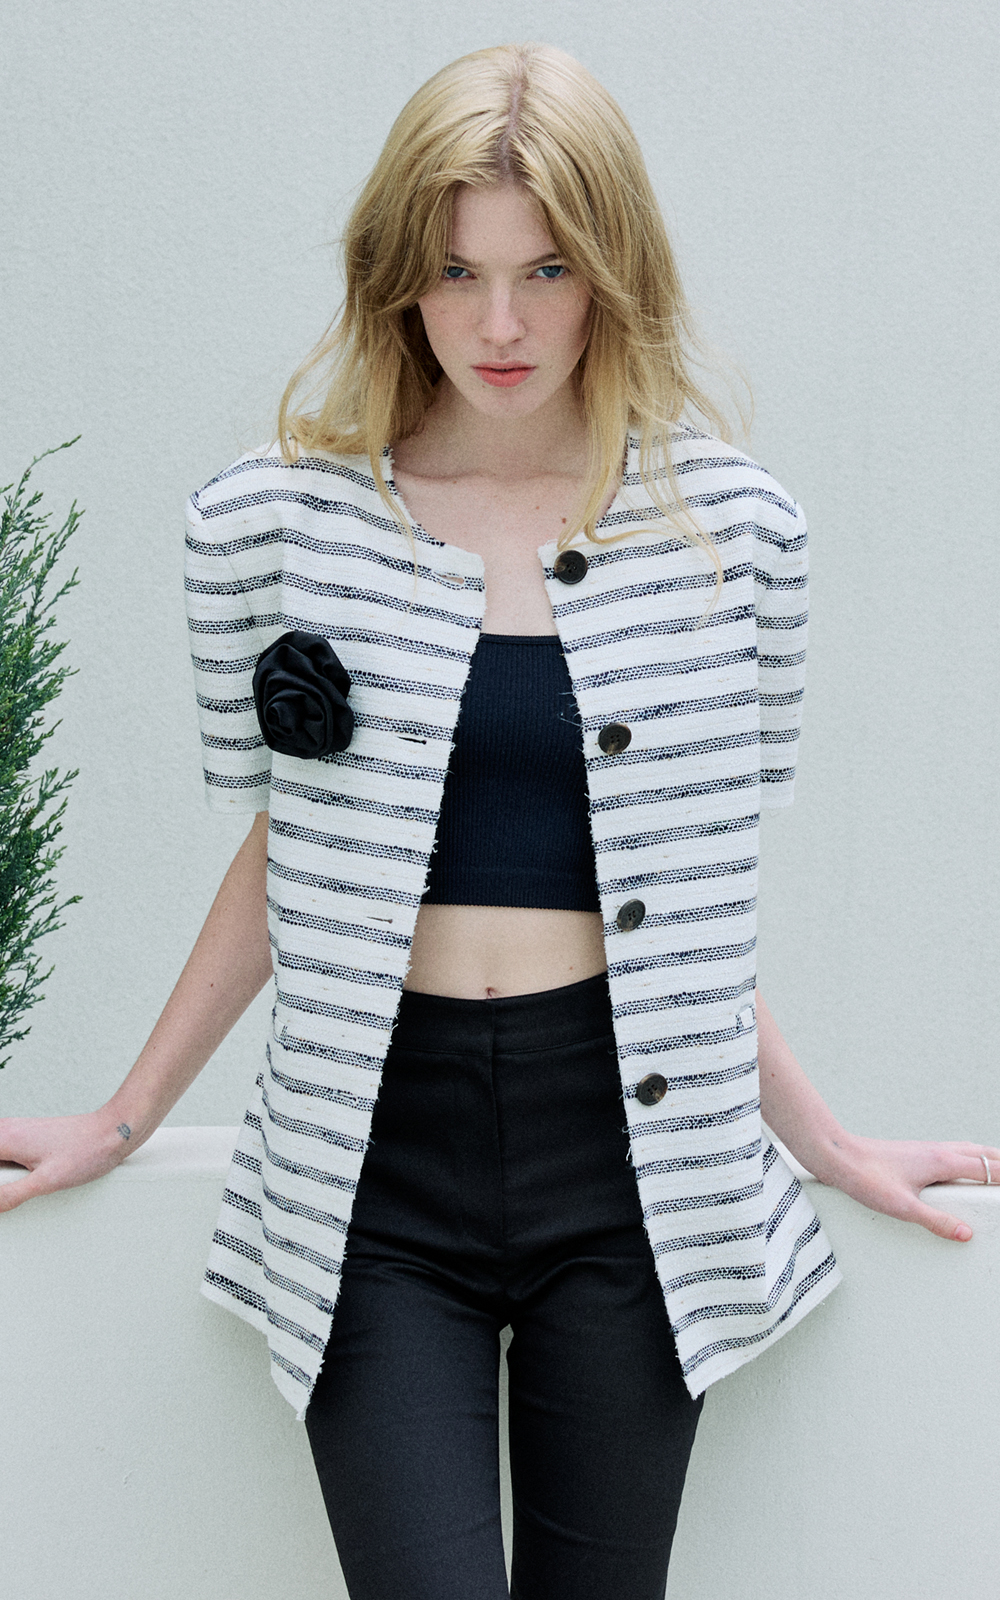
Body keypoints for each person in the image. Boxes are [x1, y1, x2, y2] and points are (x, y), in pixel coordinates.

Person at [1, 40, 997, 1600]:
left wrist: (824, 1140)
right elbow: (290, 856)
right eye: (457, 274)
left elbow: (683, 901)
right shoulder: (277, 523)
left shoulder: (733, 535)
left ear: (615, 272)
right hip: (375, 1166)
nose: (503, 324)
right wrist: (120, 1115)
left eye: (547, 270)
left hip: (631, 1163)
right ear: (396, 278)